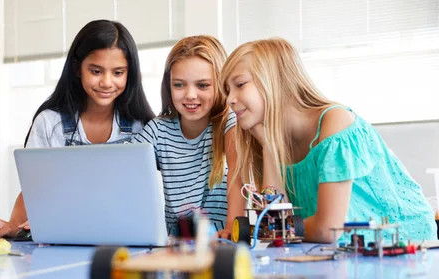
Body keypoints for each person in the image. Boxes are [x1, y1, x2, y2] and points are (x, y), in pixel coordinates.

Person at [221, 37, 436, 243]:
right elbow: (275, 222)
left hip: (406, 241)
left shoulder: (335, 122)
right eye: (228, 90)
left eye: (240, 84)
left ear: (274, 82)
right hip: (343, 251)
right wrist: (268, 147)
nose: (230, 99)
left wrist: (279, 228)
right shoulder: (267, 138)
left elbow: (326, 229)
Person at [0, 20, 155, 239]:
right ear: (77, 68)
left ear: (130, 74)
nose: (107, 82)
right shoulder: (50, 122)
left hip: (127, 238)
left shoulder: (144, 127)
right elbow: (35, 189)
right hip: (64, 239)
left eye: (118, 72)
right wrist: (12, 226)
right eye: (96, 71)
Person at [132, 35, 243, 238]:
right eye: (179, 85)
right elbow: (122, 165)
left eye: (202, 85)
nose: (190, 95)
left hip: (220, 238)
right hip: (175, 241)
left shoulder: (229, 122)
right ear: (169, 85)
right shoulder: (159, 129)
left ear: (220, 84)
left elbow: (237, 174)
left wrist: (231, 228)